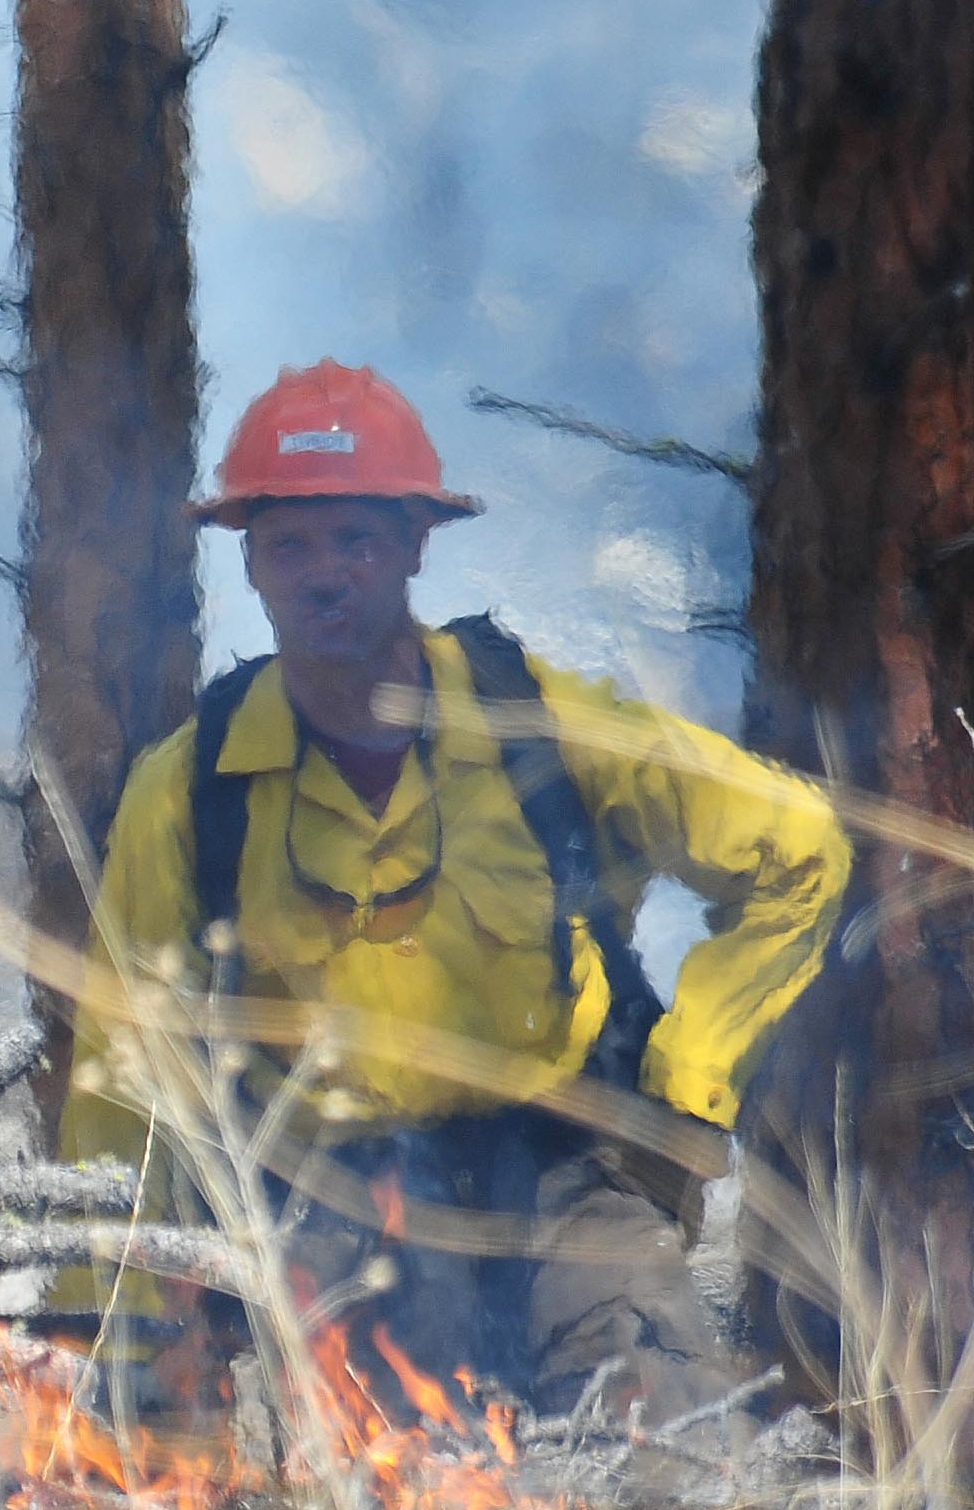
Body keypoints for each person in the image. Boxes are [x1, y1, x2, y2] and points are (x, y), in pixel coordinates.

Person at [66, 362, 850, 1422]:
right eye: (289, 544)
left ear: (412, 547)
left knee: (687, 1468)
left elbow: (798, 846)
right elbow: (123, 1075)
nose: (323, 574)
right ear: (248, 563)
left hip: (564, 1185)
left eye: (355, 539)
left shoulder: (540, 724)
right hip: (336, 1212)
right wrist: (128, 1341)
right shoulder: (189, 788)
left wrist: (685, 1096)